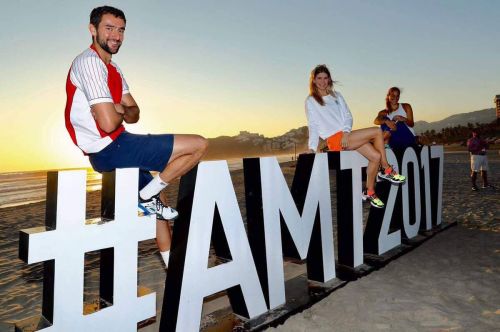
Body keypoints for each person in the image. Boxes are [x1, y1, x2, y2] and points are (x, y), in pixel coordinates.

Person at [64, 6, 208, 267]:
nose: (116, 36)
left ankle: (171, 268)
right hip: (112, 146)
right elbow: (108, 124)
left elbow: (134, 112)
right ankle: (147, 195)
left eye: (121, 30)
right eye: (109, 28)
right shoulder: (89, 62)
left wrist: (117, 108)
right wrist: (118, 110)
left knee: (159, 206)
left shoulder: (115, 70)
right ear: (92, 29)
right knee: (198, 145)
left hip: (117, 145)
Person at [305, 65, 406, 208]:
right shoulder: (311, 101)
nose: (322, 81)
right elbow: (313, 126)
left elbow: (348, 116)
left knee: (375, 157)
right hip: (334, 140)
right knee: (377, 131)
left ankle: (369, 191)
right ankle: (386, 168)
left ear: (329, 79)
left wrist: (346, 132)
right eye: (319, 78)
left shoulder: (337, 96)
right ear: (314, 80)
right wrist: (312, 148)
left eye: (325, 78)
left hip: (347, 136)